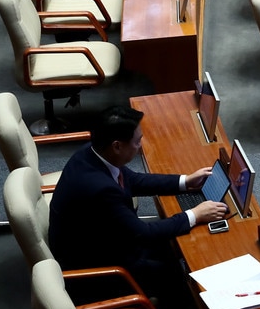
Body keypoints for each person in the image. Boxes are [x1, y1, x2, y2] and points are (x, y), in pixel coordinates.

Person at [48, 106, 228, 299]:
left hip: (101, 240)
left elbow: (133, 180)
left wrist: (185, 181)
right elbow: (143, 233)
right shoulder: (100, 189)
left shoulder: (93, 153)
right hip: (100, 267)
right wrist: (196, 215)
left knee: (179, 249)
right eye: (137, 141)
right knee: (183, 280)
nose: (140, 145)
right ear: (117, 146)